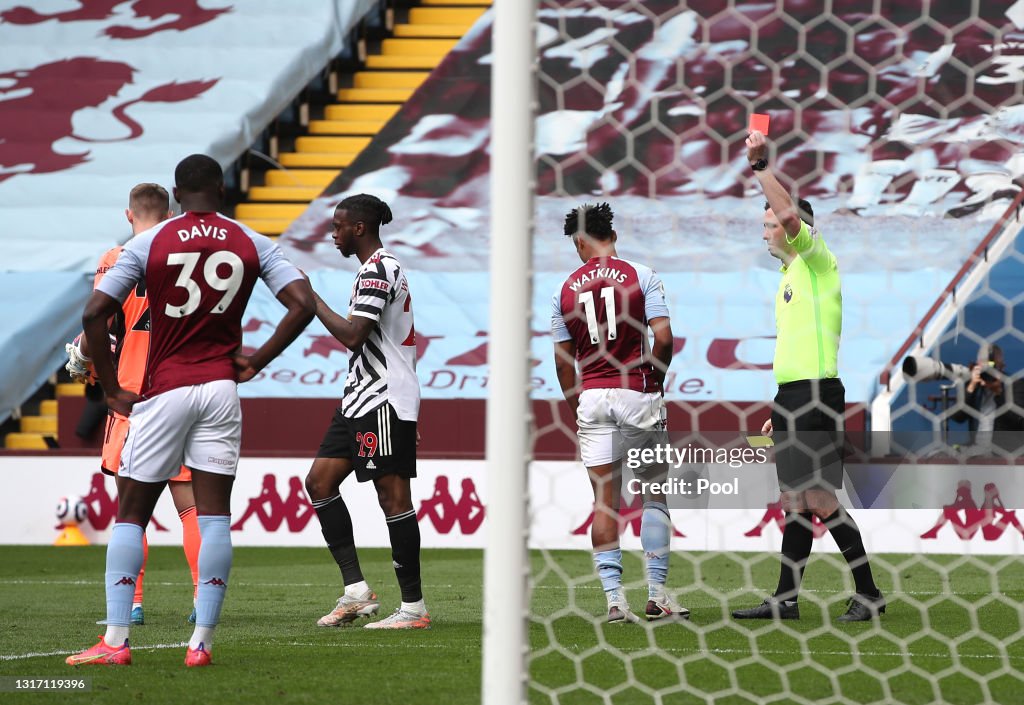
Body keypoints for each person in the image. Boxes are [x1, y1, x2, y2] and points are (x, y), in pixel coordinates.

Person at [66, 154, 314, 667]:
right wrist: (257, 362)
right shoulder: (251, 241)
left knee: (132, 512)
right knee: (213, 513)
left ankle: (115, 640)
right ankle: (201, 643)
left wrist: (111, 389)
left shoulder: (147, 243)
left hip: (165, 389)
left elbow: (95, 314)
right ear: (223, 191)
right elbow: (304, 303)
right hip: (222, 388)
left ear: (178, 196)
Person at [731, 131, 884, 622]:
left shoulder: (818, 264)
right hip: (795, 397)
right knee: (795, 500)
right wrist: (780, 408)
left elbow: (792, 214)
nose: (764, 231)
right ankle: (785, 599)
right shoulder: (786, 281)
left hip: (817, 396)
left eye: (769, 223)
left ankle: (869, 592)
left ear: (796, 230)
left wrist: (760, 168)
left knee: (817, 497)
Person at [66, 183, 202, 626]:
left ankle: (135, 602)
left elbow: (97, 323)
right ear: (169, 214)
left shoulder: (116, 258)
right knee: (192, 507)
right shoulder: (188, 258)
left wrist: (83, 357)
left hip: (133, 398)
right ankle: (203, 599)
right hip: (183, 392)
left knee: (132, 510)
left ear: (129, 216)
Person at [551, 202, 687, 623]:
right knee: (654, 494)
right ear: (612, 234)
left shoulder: (564, 289)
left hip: (593, 397)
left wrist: (579, 404)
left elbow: (561, 361)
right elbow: (663, 338)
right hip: (637, 394)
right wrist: (656, 380)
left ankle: (614, 601)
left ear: (579, 240)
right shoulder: (641, 275)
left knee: (605, 502)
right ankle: (657, 595)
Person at [304, 194, 428, 629]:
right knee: (319, 482)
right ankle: (357, 592)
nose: (332, 234)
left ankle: (413, 608)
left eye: (338, 226)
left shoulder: (380, 268)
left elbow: (355, 335)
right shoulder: (371, 270)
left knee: (392, 497)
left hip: (383, 397)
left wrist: (310, 299)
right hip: (359, 396)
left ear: (359, 227)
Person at [949, 344, 1024, 456]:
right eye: (984, 366)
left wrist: (999, 393)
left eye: (992, 366)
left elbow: (1019, 420)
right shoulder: (972, 383)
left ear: (1002, 366)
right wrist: (971, 386)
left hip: (1005, 453)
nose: (988, 372)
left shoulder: (1015, 384)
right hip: (976, 450)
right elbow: (957, 417)